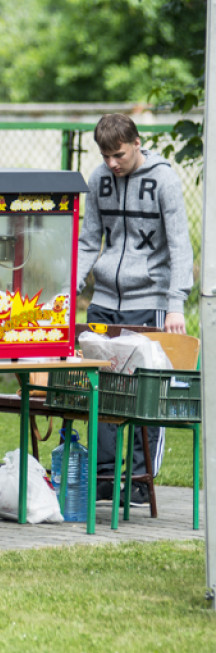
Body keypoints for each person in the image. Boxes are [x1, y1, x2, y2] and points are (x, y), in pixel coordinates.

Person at [76, 113, 194, 507]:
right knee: (104, 389)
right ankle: (106, 475)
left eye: (119, 154)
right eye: (105, 155)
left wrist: (175, 304)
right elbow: (90, 240)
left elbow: (180, 245)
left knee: (148, 391)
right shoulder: (98, 180)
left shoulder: (164, 179)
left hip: (152, 300)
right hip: (106, 300)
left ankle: (142, 478)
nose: (112, 163)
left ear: (137, 143)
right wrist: (70, 285)